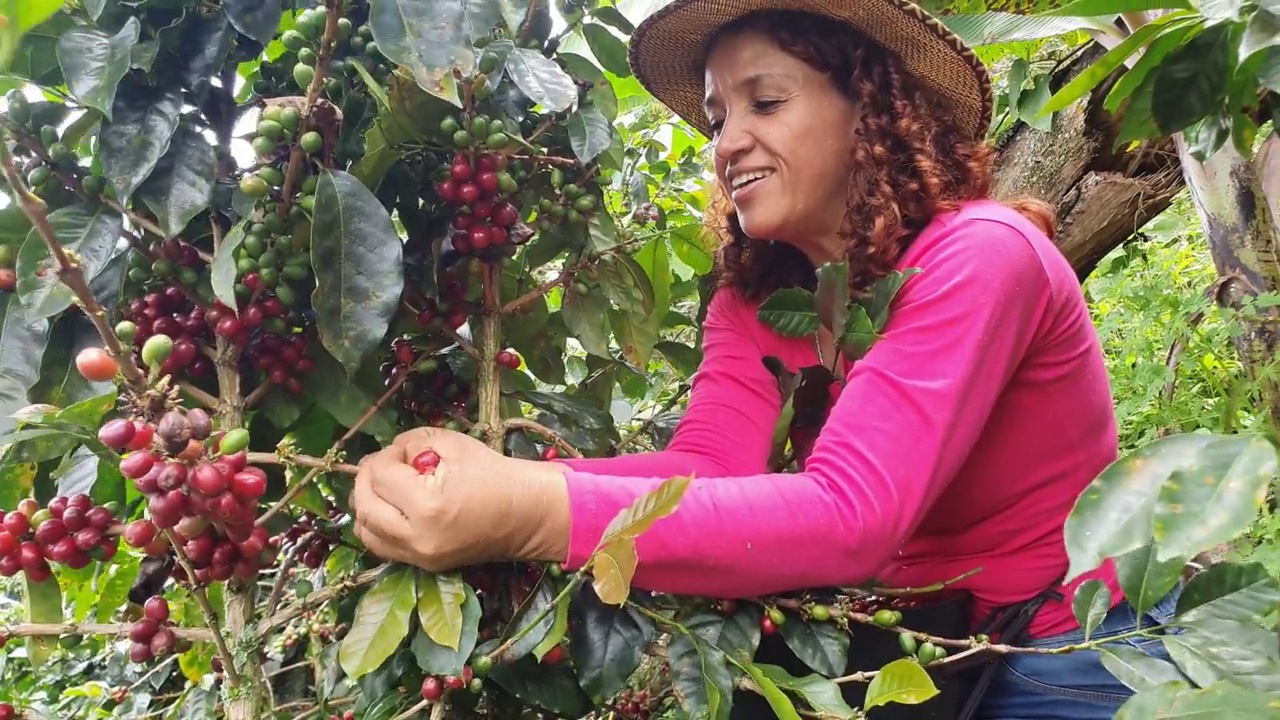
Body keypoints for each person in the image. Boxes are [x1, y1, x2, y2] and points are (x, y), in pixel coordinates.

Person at [349, 1, 1182, 718]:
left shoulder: (980, 255)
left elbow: (852, 516)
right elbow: (706, 463)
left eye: (767, 102)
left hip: (1079, 652)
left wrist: (529, 511)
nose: (728, 142)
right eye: (718, 118)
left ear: (871, 110)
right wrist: (504, 475)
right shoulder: (754, 303)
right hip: (923, 656)